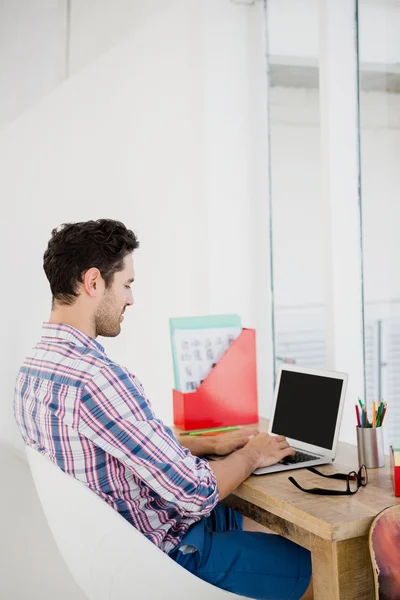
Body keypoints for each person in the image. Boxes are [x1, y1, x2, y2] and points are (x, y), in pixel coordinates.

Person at [14, 219, 313, 600]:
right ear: (93, 283)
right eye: (126, 284)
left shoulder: (34, 373)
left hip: (117, 554)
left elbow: (116, 442)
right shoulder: (96, 379)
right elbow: (195, 492)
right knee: (324, 568)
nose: (130, 300)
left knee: (268, 526)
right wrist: (255, 452)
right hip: (171, 555)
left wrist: (205, 444)